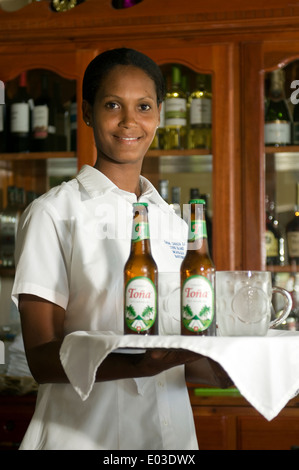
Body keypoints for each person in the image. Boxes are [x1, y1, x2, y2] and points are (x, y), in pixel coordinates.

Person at [12, 48, 232, 450]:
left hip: (171, 439)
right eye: (113, 104)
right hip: (82, 435)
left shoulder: (176, 224)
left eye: (144, 106)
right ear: (87, 112)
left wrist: (229, 370)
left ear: (159, 115)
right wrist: (139, 365)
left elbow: (179, 353)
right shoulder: (54, 213)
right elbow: (41, 359)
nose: (130, 121)